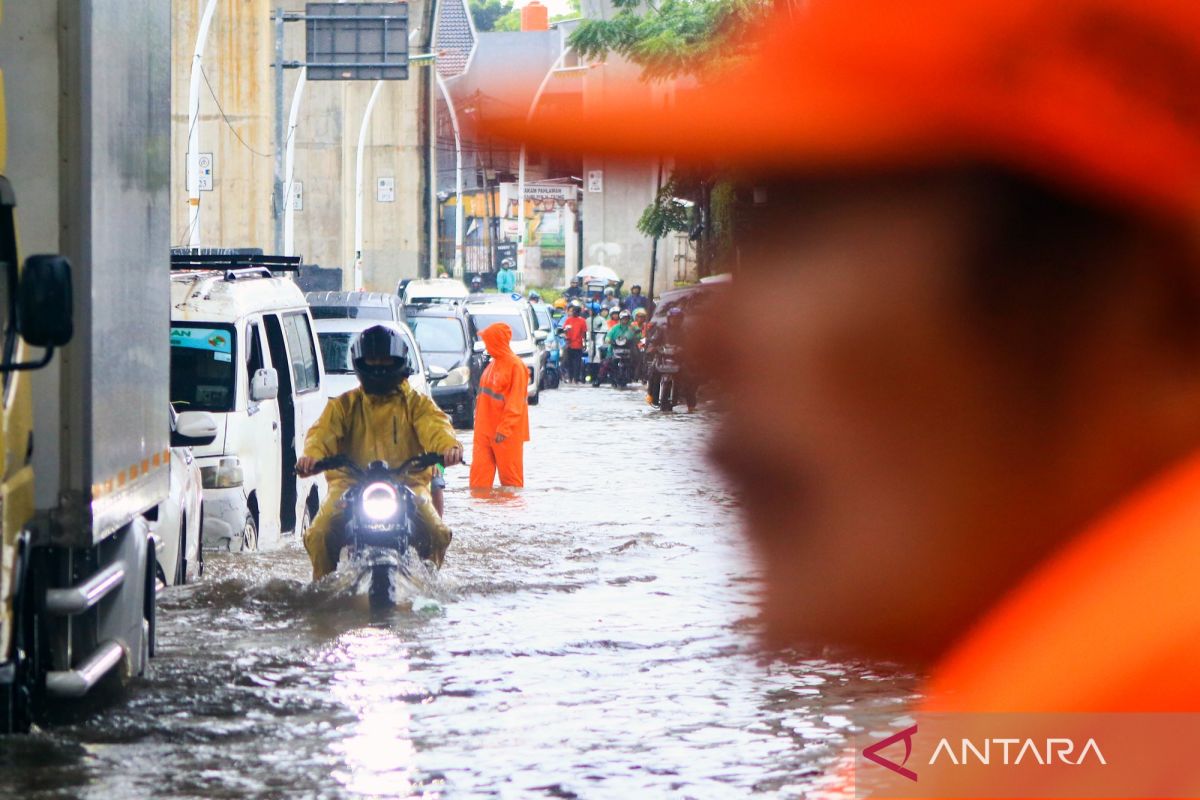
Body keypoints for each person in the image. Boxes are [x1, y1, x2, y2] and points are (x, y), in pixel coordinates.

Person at [491, 0, 1200, 758]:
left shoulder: (1110, 718)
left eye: (810, 238)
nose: (710, 343)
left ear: (1113, 302)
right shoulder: (1031, 718)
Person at [297, 326, 463, 580]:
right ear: (360, 364)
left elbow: (436, 428)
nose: (378, 368)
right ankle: (322, 590)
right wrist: (311, 457)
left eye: (385, 362)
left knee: (437, 532)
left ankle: (430, 583)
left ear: (399, 363)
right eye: (372, 363)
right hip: (348, 486)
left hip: (409, 485)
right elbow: (321, 435)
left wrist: (449, 448)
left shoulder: (417, 404)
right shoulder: (343, 405)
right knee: (318, 534)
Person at [470, 323, 530, 489]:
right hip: (484, 431)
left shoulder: (516, 367)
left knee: (511, 484)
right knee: (478, 484)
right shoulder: (492, 364)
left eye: (488, 341)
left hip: (506, 434)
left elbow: (516, 403)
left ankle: (509, 515)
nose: (486, 345)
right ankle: (480, 513)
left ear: (497, 341)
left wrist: (504, 429)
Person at [596, 310, 641, 387]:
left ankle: (637, 376)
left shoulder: (632, 327)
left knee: (638, 360)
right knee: (606, 364)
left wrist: (635, 337)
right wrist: (609, 340)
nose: (625, 320)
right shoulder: (615, 328)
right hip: (614, 349)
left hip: (629, 349)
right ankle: (598, 380)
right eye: (623, 318)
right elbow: (608, 337)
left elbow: (639, 335)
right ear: (620, 319)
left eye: (626, 318)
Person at [560, 304, 588, 383]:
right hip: (569, 344)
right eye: (573, 311)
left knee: (577, 363)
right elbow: (564, 330)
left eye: (576, 311)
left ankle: (576, 378)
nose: (574, 313)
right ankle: (570, 377)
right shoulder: (568, 320)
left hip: (578, 345)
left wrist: (584, 343)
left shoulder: (582, 321)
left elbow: (584, 333)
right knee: (569, 362)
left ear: (579, 312)